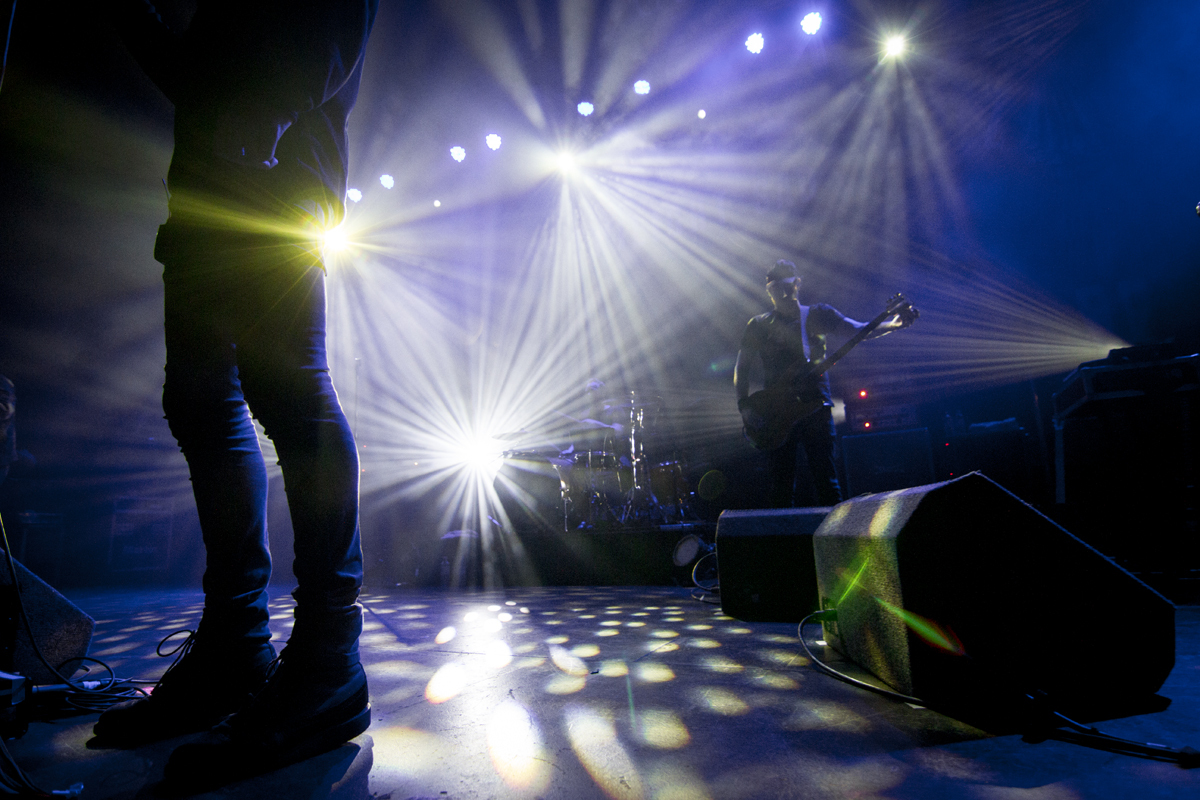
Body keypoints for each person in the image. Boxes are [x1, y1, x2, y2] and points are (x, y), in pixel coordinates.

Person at [93, 0, 378, 787]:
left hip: (274, 181)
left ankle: (329, 656)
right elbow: (193, 76)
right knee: (199, 404)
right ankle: (235, 644)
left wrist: (270, 112)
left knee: (291, 399)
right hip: (203, 195)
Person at [734, 260, 907, 508]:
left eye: (785, 286)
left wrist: (894, 324)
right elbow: (742, 367)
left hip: (815, 406)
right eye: (774, 289)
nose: (781, 293)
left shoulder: (817, 314)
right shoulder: (759, 325)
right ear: (768, 290)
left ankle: (835, 531)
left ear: (797, 284)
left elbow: (858, 330)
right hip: (775, 412)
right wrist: (744, 406)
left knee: (826, 480)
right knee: (780, 485)